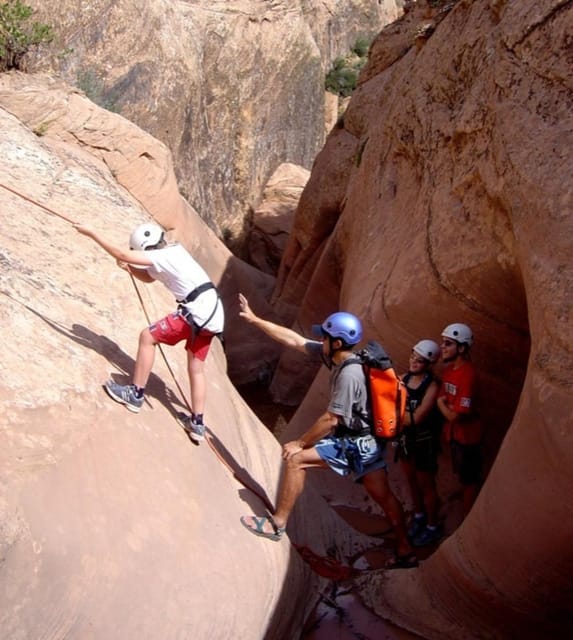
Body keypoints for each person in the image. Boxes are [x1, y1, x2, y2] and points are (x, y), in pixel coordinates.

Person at [238, 294, 417, 569]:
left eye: (324, 337)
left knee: (296, 461)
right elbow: (295, 341)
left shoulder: (349, 374)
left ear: (336, 342)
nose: (320, 340)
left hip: (355, 442)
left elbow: (331, 419)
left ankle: (277, 524)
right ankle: (406, 550)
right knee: (383, 496)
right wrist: (254, 319)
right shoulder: (339, 358)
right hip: (369, 442)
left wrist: (300, 442)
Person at [74, 222, 224, 442]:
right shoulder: (172, 252)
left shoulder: (163, 257)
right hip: (213, 314)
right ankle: (197, 424)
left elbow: (120, 252)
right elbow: (149, 276)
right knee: (196, 368)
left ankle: (135, 395)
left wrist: (92, 233)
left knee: (147, 337)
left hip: (196, 313)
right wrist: (129, 268)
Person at [396, 340, 443, 547]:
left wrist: (392, 412)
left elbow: (417, 417)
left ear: (428, 363)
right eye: (413, 356)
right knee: (411, 480)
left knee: (426, 485)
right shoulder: (402, 379)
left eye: (420, 360)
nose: (414, 362)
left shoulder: (432, 386)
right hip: (406, 440)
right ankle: (419, 515)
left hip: (424, 442)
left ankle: (432, 525)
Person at [437, 323, 483, 516]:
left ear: (462, 348)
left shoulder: (468, 375)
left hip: (468, 438)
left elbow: (455, 415)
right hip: (456, 436)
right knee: (463, 477)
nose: (442, 347)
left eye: (448, 343)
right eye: (443, 343)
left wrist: (442, 403)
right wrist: (445, 404)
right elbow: (445, 403)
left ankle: (467, 518)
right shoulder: (449, 372)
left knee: (469, 480)